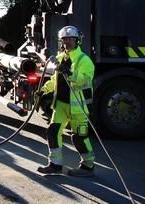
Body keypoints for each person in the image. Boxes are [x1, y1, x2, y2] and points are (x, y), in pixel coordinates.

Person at [37, 25, 95, 177]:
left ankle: (88, 166)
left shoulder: (84, 60)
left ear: (77, 41)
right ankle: (55, 164)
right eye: (64, 40)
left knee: (79, 137)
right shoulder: (61, 58)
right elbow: (55, 80)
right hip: (61, 104)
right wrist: (43, 90)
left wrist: (68, 72)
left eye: (70, 39)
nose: (66, 42)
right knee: (53, 131)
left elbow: (85, 80)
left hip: (78, 107)